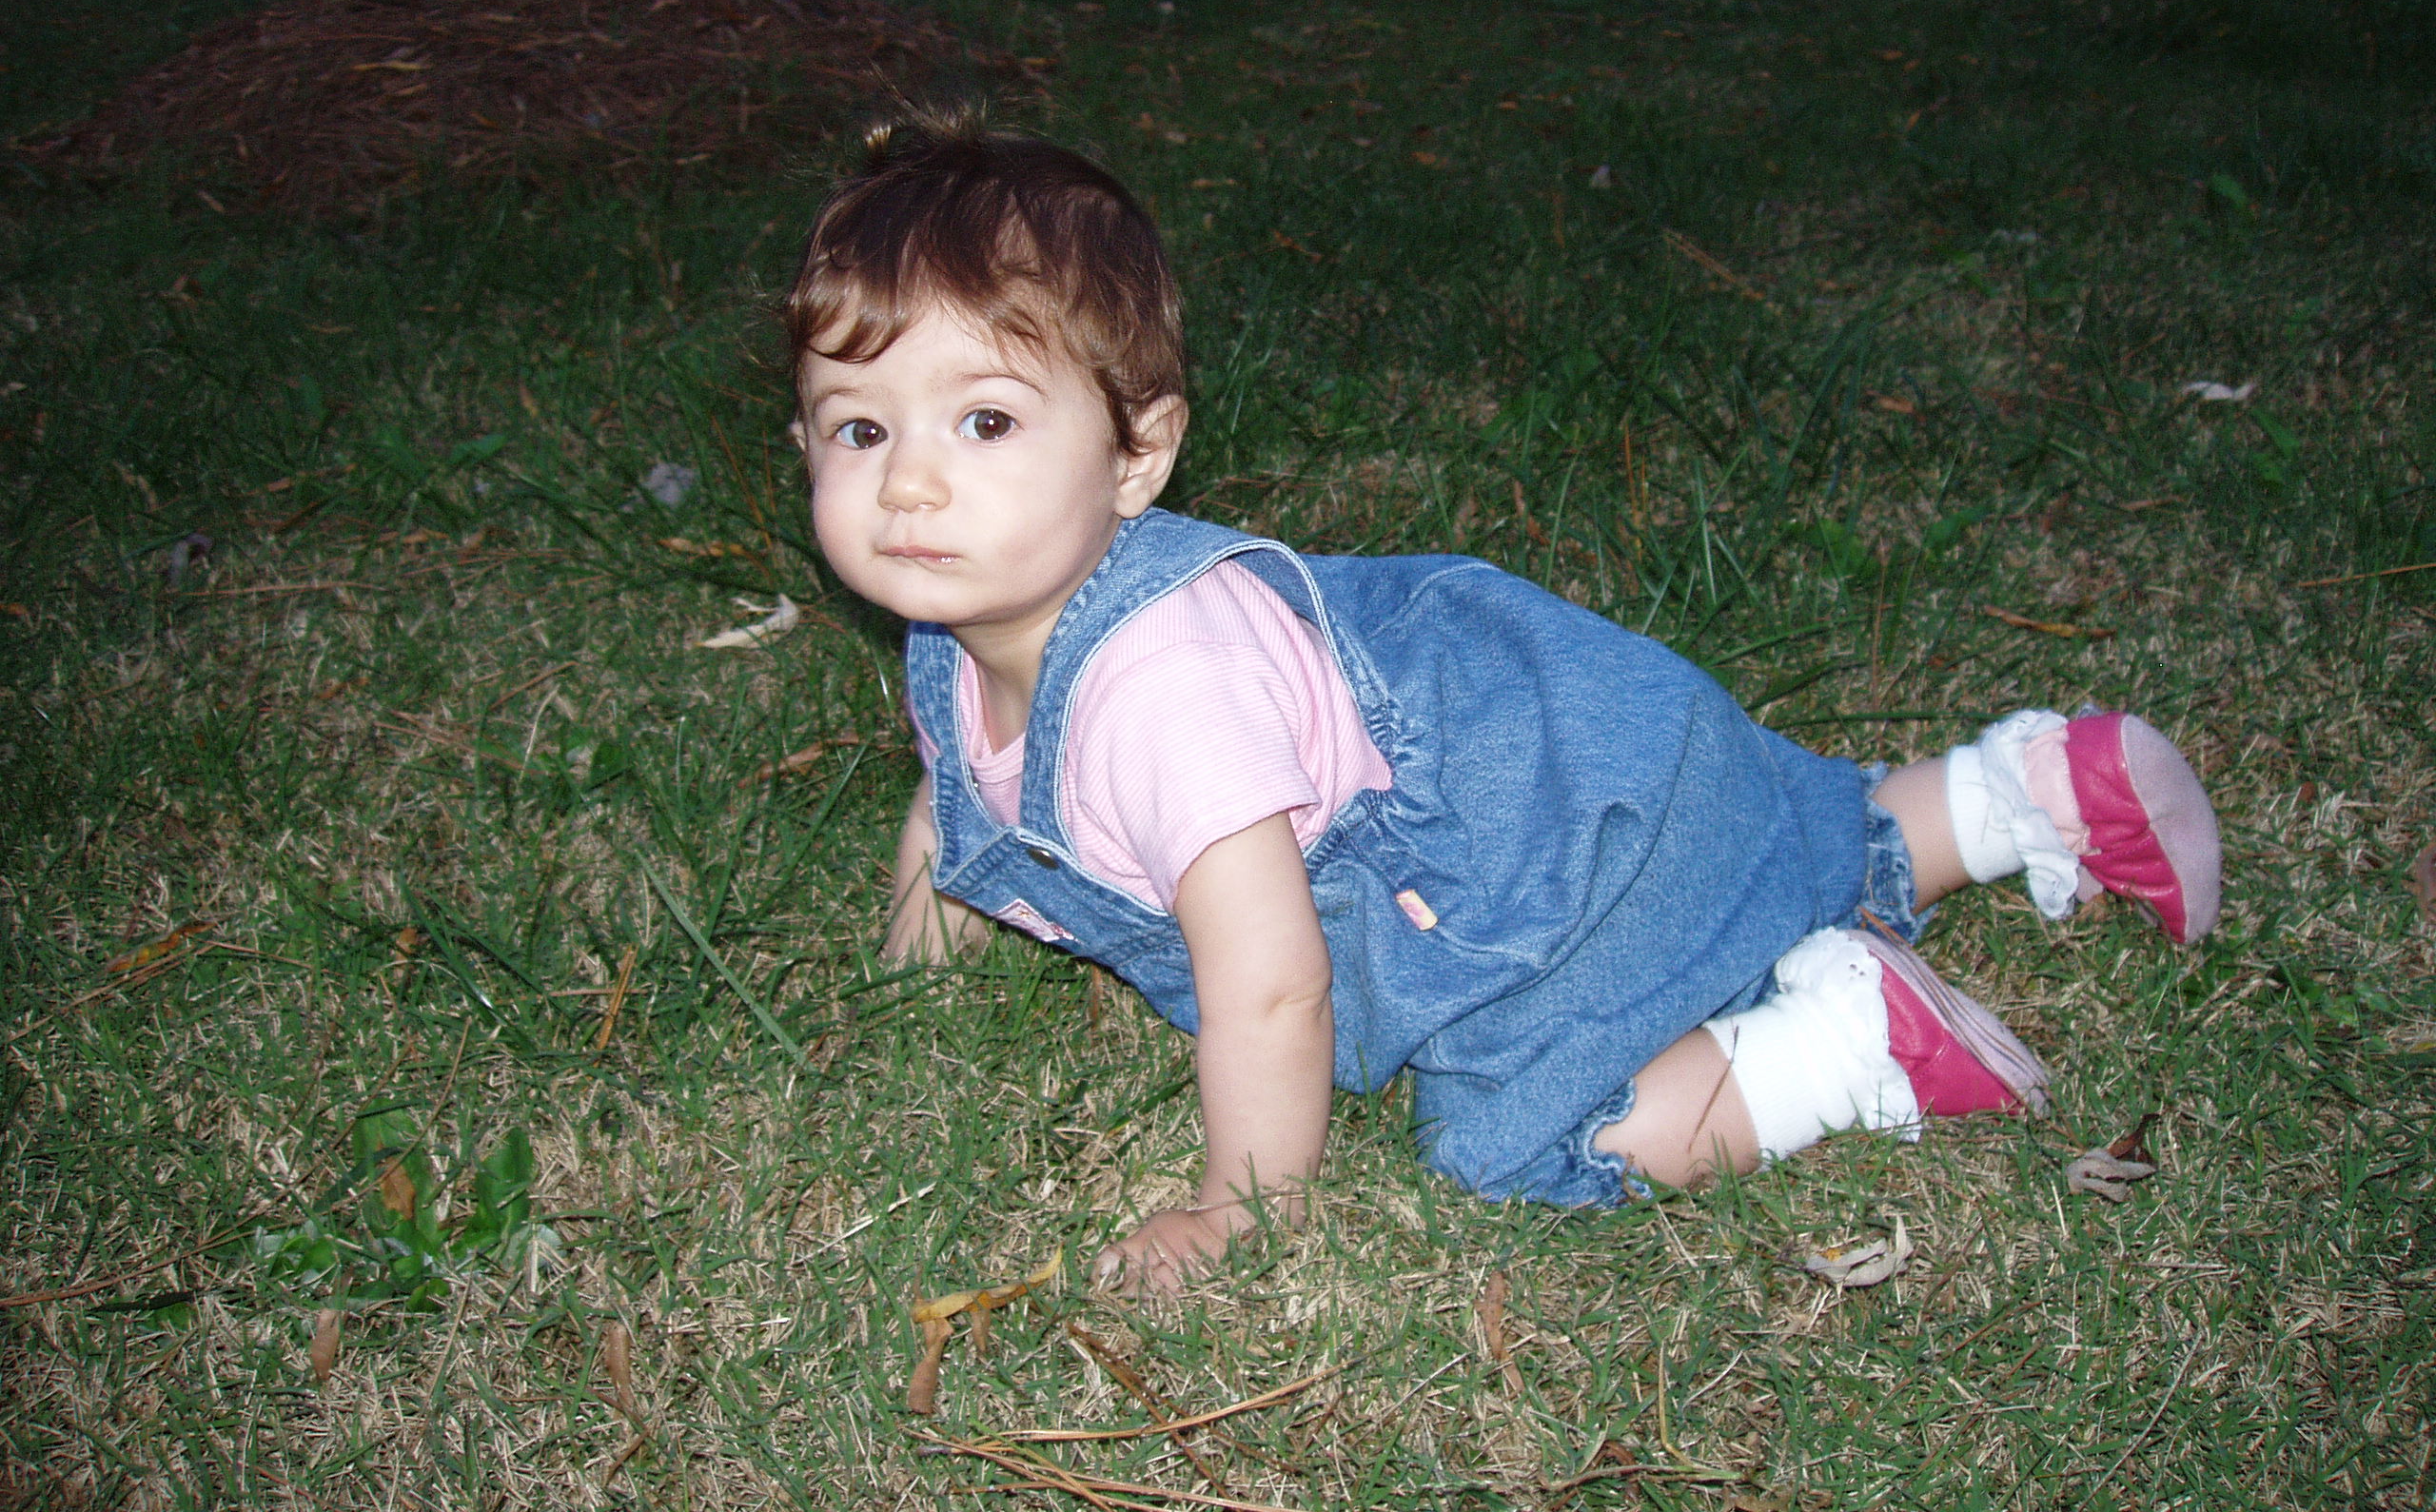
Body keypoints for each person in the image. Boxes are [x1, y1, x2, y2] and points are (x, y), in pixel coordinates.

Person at [783, 113, 2222, 1293]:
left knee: (1513, 1144)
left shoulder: (1161, 698)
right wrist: (911, 978)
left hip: (1544, 861)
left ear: (1136, 455)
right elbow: (959, 804)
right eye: (860, 427)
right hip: (1593, 748)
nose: (910, 482)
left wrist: (1242, 1205)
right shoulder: (959, 628)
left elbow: (1273, 981)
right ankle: (2021, 791)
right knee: (1776, 835)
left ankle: (1844, 1046)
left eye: (985, 421)